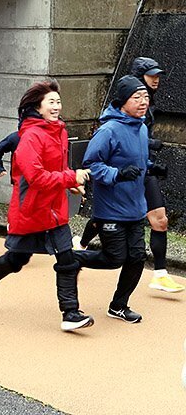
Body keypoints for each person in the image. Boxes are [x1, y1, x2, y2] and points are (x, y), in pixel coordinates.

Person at [0, 80, 93, 332]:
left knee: (67, 259)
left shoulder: (58, 131)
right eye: (51, 102)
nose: (56, 106)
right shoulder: (30, 137)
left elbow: (57, 169)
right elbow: (36, 178)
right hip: (30, 210)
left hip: (55, 210)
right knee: (17, 259)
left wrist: (70, 183)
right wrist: (72, 177)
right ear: (37, 107)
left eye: (58, 102)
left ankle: (70, 313)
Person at [73, 57, 184, 293]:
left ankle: (159, 274)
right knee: (110, 242)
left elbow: (139, 139)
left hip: (141, 170)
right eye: (151, 75)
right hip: (118, 174)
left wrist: (150, 163)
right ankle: (78, 251)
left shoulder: (146, 108)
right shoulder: (114, 121)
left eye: (158, 75)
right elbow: (94, 160)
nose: (157, 80)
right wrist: (119, 171)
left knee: (159, 221)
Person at [74, 75, 155, 324]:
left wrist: (152, 167)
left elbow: (136, 162)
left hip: (135, 207)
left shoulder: (141, 127)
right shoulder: (108, 130)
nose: (143, 101)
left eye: (145, 96)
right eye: (136, 97)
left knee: (137, 257)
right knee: (114, 258)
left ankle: (119, 306)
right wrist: (117, 174)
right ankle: (72, 258)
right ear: (122, 102)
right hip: (111, 209)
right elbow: (90, 165)